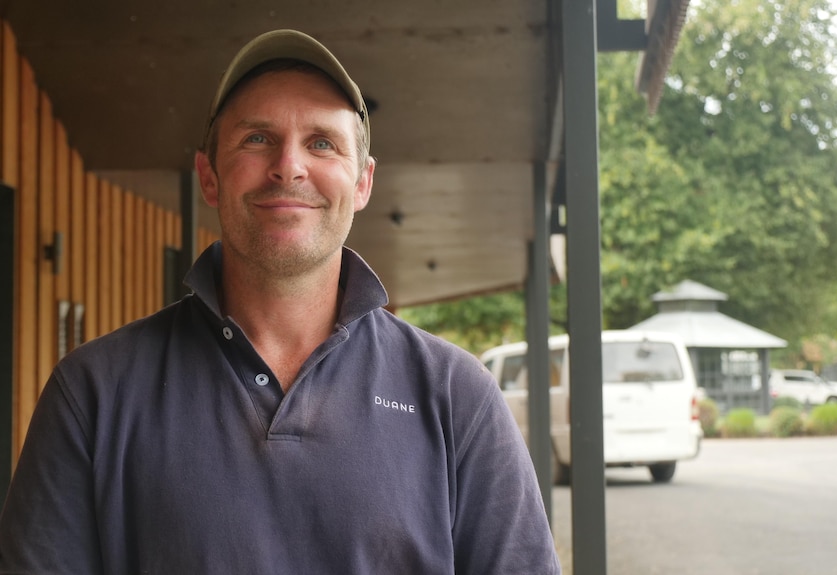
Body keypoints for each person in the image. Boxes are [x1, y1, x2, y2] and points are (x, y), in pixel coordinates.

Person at [0, 29, 560, 574]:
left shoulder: (456, 395)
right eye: (257, 138)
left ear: (362, 183)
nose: (289, 165)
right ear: (210, 176)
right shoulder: (93, 393)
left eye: (321, 142)